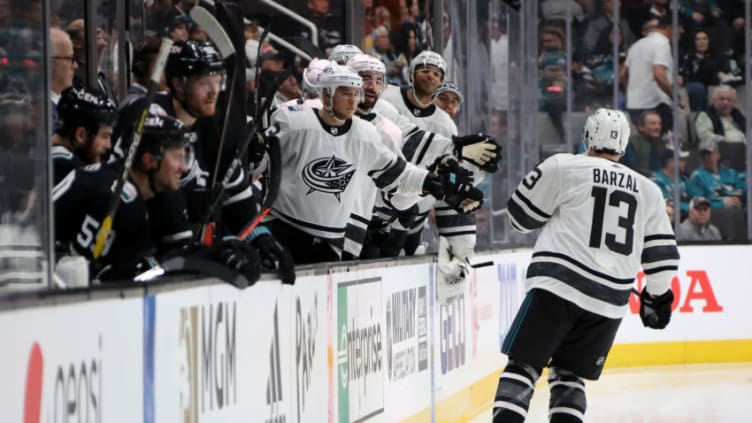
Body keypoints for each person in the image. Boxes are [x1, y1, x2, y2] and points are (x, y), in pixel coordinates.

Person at [494, 108, 679, 423]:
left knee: (522, 367)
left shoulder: (563, 166)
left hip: (557, 287)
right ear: (623, 144)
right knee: (570, 377)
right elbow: (662, 259)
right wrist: (657, 299)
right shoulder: (649, 190)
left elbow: (520, 218)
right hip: (609, 302)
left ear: (588, 136)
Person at [258, 64, 482, 264]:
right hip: (282, 231)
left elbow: (397, 174)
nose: (353, 100)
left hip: (333, 242)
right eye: (346, 93)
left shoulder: (365, 133)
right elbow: (257, 170)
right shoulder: (294, 120)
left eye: (356, 94)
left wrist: (431, 182)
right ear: (326, 96)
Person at [621, 16, 678, 134]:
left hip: (634, 104)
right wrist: (673, 95)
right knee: (664, 145)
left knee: (644, 145)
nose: (681, 32)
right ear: (670, 28)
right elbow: (658, 73)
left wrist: (632, 91)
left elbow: (622, 75)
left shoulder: (635, 45)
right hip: (655, 103)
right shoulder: (662, 43)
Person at [52, 86, 117, 184]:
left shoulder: (46, 153)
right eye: (104, 136)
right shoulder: (68, 169)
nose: (109, 145)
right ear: (81, 135)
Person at [652, 147, 692, 218]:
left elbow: (692, 199)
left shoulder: (684, 179)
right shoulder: (657, 181)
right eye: (681, 160)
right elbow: (666, 205)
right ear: (670, 162)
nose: (684, 163)